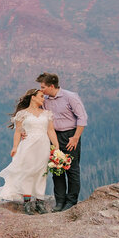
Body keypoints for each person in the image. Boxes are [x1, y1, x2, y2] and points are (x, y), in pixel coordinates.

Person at [0, 89, 59, 213]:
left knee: (42, 171)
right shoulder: (22, 114)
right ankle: (27, 202)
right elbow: (18, 131)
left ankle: (40, 201)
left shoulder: (47, 114)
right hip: (28, 144)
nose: (43, 99)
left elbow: (50, 130)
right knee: (28, 171)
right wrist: (15, 147)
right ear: (33, 97)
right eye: (41, 96)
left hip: (43, 144)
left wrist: (56, 145)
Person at [36, 72, 88, 211]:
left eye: (43, 87)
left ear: (51, 86)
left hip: (70, 135)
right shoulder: (45, 100)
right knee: (56, 169)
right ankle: (60, 201)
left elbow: (82, 118)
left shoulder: (70, 97)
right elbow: (35, 113)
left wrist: (76, 137)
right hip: (53, 136)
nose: (41, 90)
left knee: (72, 169)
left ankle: (71, 201)